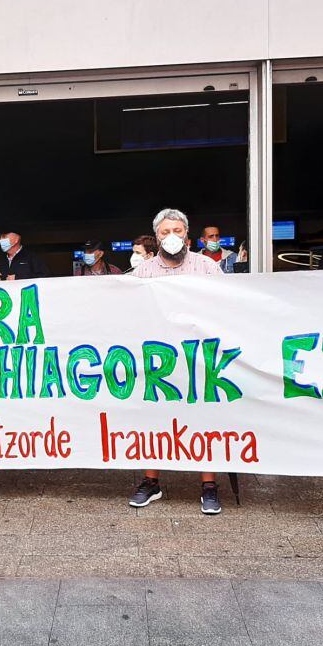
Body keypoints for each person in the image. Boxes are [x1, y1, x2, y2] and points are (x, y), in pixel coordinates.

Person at [130, 208, 225, 515]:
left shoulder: (206, 267)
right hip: (158, 361)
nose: (172, 237)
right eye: (165, 232)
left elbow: (229, 304)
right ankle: (151, 481)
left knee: (204, 418)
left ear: (187, 233)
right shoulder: (142, 273)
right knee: (154, 419)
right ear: (156, 237)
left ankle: (209, 485)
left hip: (199, 357)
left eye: (177, 231)